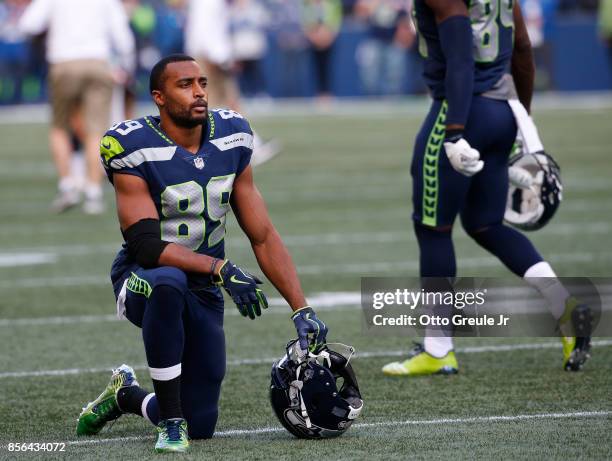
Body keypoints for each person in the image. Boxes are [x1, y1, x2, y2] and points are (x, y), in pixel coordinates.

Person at [75, 55, 328, 454]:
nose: (198, 93)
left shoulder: (232, 135)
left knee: (204, 423)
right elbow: (146, 246)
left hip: (205, 284)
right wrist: (221, 267)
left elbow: (262, 235)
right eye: (185, 85)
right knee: (168, 283)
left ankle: (125, 395)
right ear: (158, 97)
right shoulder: (130, 145)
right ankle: (170, 424)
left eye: (203, 83)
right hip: (143, 277)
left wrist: (301, 308)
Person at [382, 0, 591, 376]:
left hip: (459, 112)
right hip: (502, 109)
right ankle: (565, 307)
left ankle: (438, 347)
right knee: (485, 224)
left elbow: (461, 58)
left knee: (432, 228)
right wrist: (520, 118)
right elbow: (523, 49)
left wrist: (456, 131)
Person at [18, 0, 135, 214]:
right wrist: (125, 64)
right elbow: (124, 38)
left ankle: (68, 186)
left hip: (63, 62)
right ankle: (93, 191)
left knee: (60, 127)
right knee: (96, 130)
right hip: (98, 62)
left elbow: (28, 24)